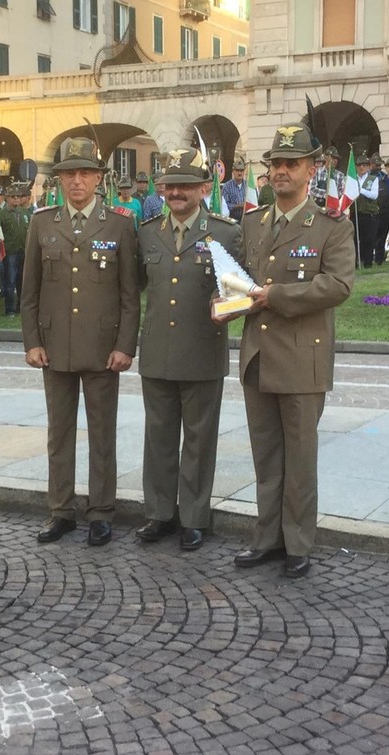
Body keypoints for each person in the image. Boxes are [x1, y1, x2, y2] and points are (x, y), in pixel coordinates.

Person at [234, 122, 356, 579]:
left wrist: (276, 296)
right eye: (276, 164)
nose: (281, 171)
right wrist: (225, 303)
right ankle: (267, 538)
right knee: (266, 456)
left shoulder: (330, 226)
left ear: (311, 170)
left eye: (292, 163)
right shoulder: (253, 222)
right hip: (258, 355)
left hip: (303, 358)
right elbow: (242, 281)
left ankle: (298, 543)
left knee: (300, 459)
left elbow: (338, 284)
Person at [21, 136, 140, 546]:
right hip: (54, 346)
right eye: (69, 173)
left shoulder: (119, 224)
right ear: (59, 180)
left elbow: (130, 295)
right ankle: (61, 510)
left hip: (103, 349)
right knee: (59, 434)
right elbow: (29, 292)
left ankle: (101, 511)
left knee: (102, 434)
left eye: (85, 173)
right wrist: (32, 341)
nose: (77, 181)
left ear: (98, 179)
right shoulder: (42, 222)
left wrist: (125, 345)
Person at [134, 147, 242, 551]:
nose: (176, 192)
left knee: (199, 441)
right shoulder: (147, 232)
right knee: (158, 438)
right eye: (170, 185)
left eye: (185, 185)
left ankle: (195, 518)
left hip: (202, 351)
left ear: (203, 187)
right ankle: (159, 513)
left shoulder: (226, 233)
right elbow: (132, 289)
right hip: (157, 351)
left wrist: (225, 305)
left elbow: (239, 291)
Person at [0, 181, 31, 317]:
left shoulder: (25, 213)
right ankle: (10, 308)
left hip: (23, 250)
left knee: (22, 281)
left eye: (18, 196)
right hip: (10, 252)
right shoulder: (2, 214)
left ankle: (20, 307)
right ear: (7, 198)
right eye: (13, 196)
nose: (16, 198)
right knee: (10, 281)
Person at [353, 154, 380, 267]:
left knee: (368, 239)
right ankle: (354, 262)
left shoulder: (373, 179)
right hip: (355, 212)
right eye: (359, 165)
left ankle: (367, 262)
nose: (362, 167)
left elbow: (374, 195)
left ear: (368, 167)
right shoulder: (352, 179)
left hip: (369, 214)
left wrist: (360, 190)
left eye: (364, 165)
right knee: (354, 239)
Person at [220, 157, 247, 221]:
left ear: (244, 171)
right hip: (232, 220)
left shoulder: (248, 185)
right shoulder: (227, 186)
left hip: (246, 219)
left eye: (241, 170)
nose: (239, 173)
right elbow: (225, 206)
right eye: (237, 170)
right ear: (233, 171)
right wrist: (238, 206)